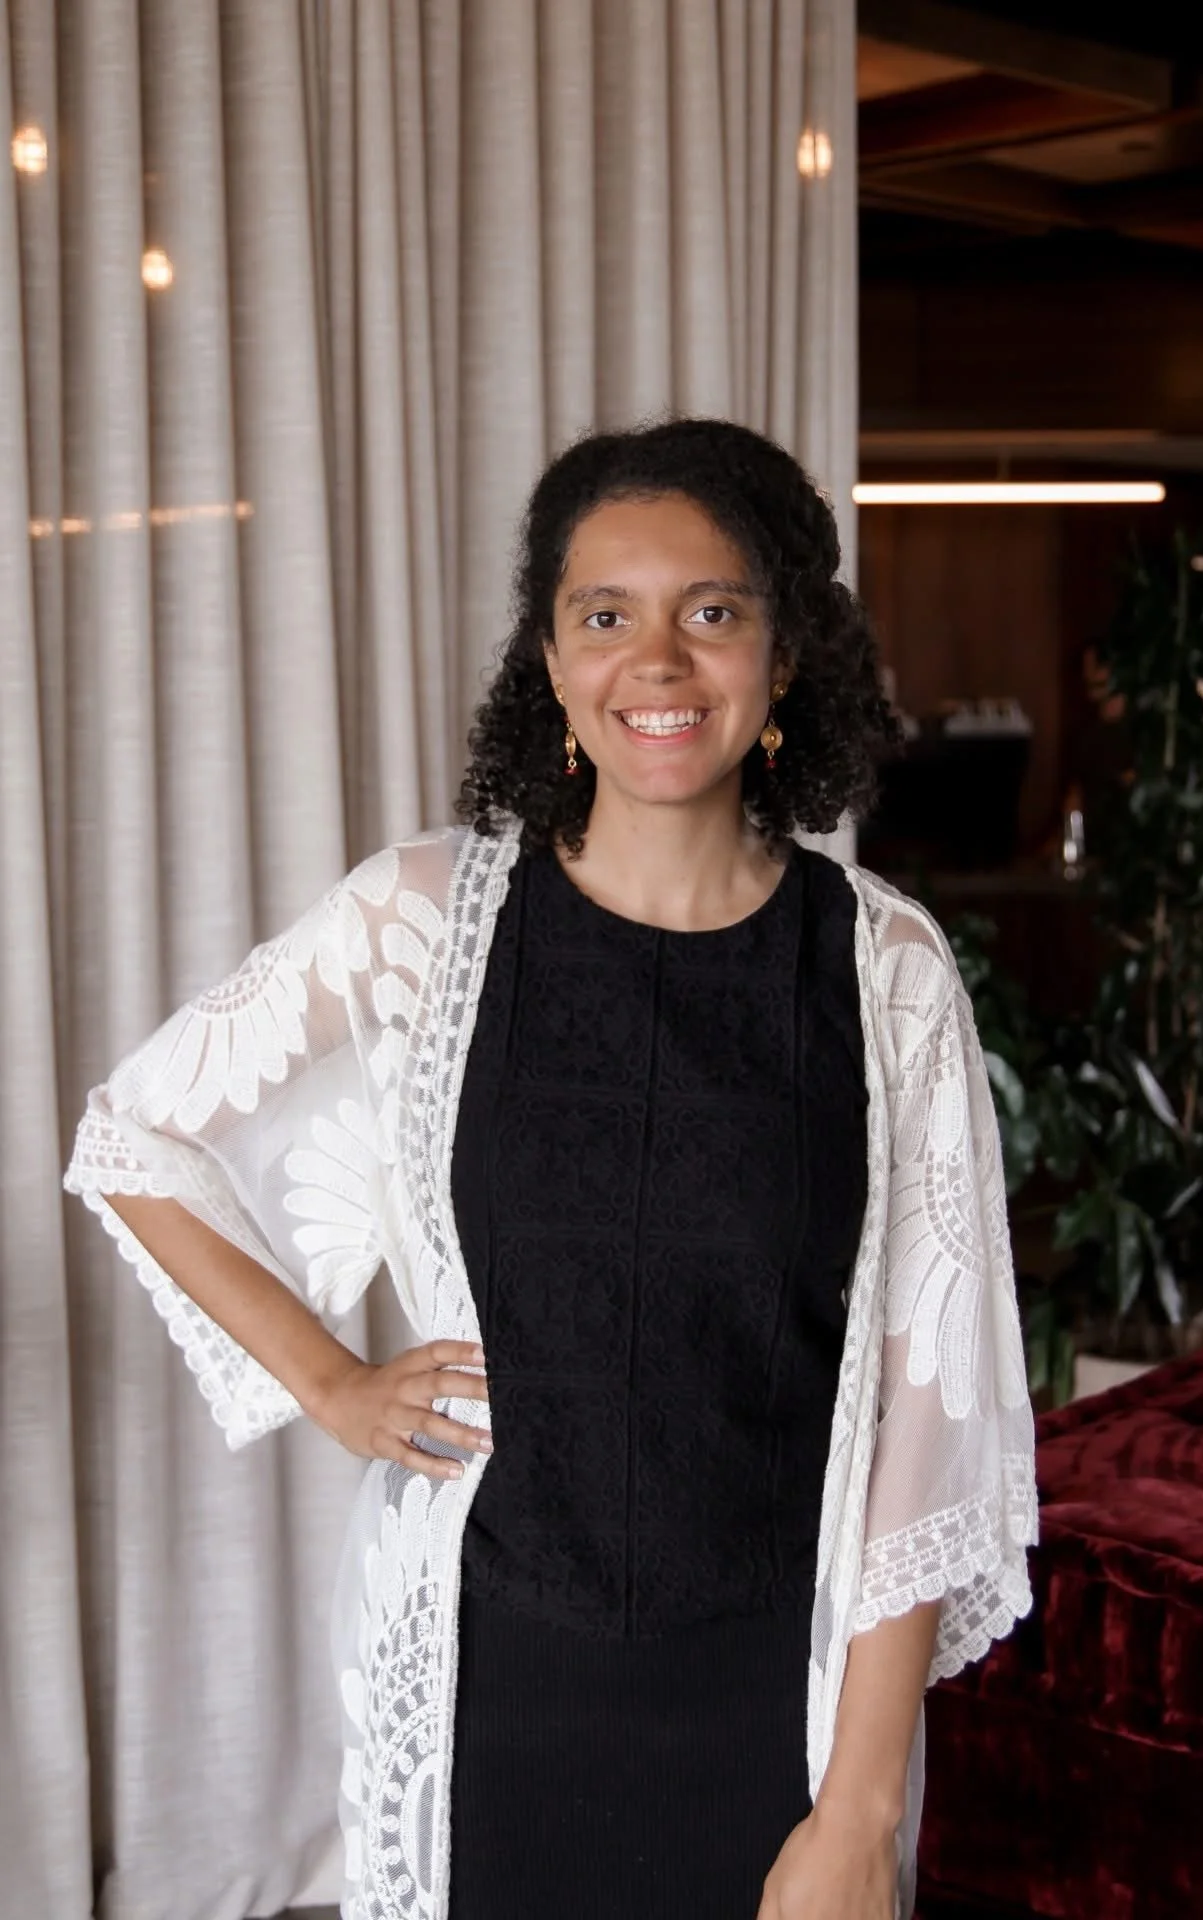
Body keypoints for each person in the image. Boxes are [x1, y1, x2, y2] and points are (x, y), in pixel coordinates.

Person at [66, 418, 1036, 1920]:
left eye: (711, 613)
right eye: (606, 617)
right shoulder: (421, 920)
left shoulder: (884, 967)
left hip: (774, 1696)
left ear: (784, 660)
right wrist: (332, 1381)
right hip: (487, 1684)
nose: (658, 661)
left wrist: (858, 1811)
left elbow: (930, 1413)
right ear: (552, 664)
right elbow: (137, 1134)